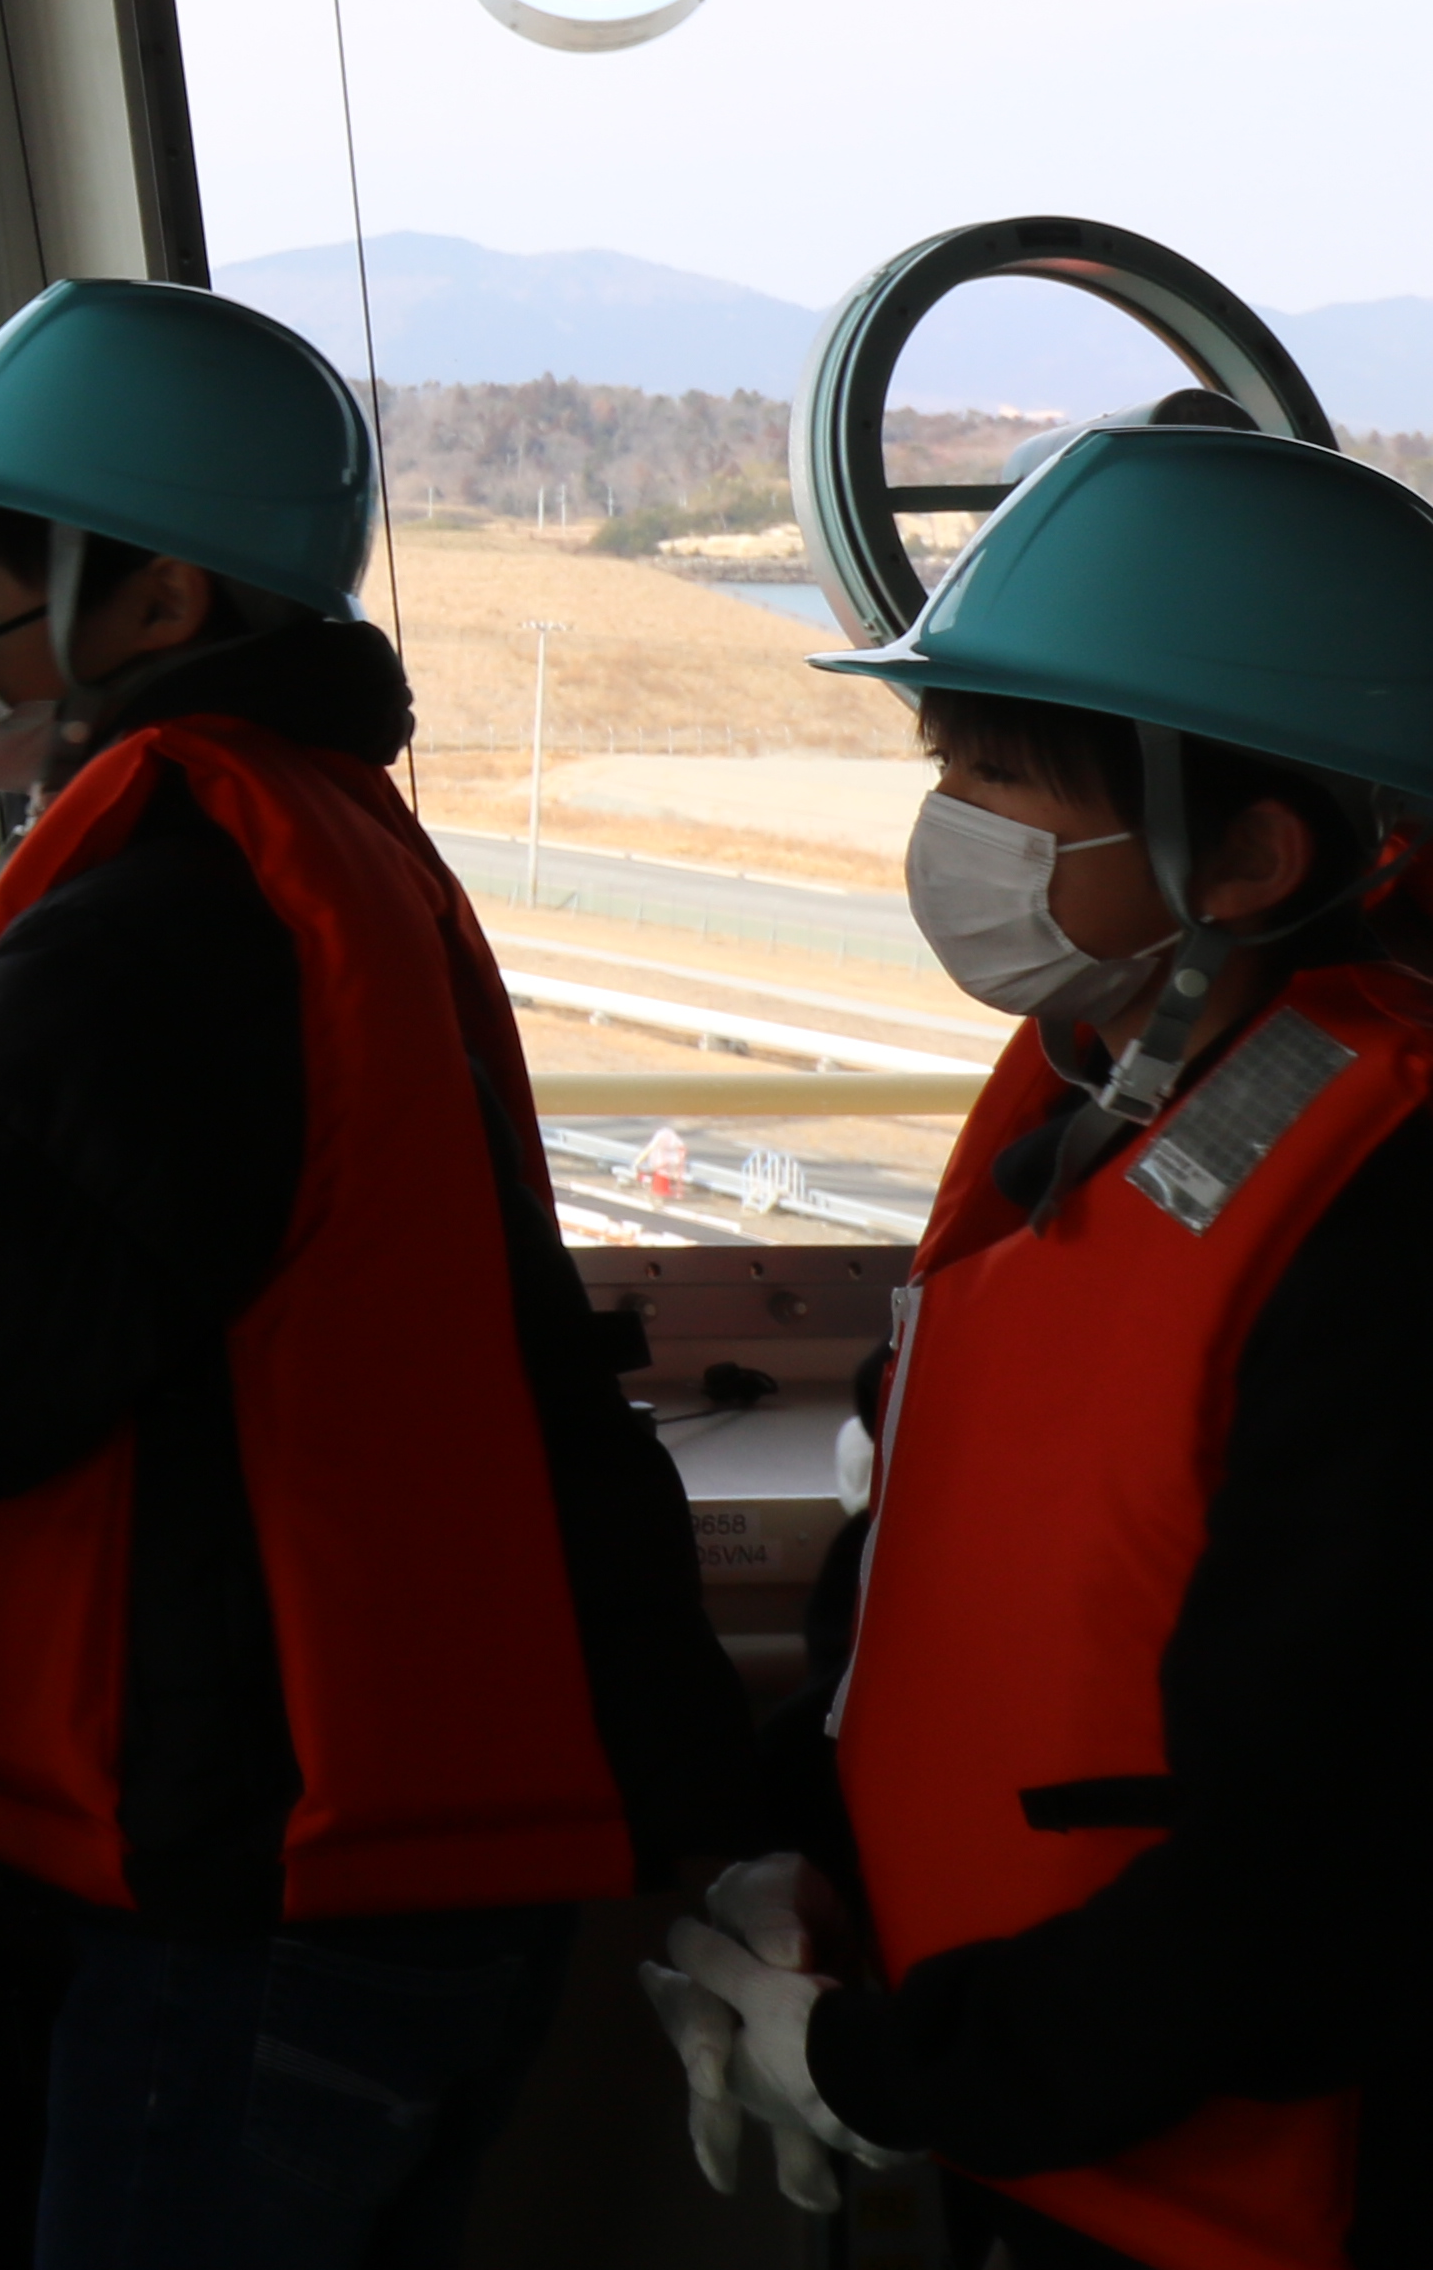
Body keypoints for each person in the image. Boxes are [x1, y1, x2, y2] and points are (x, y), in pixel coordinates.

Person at [0, 277, 752, 2268]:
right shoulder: (324, 842)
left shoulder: (171, 912)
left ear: (158, 600)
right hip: (388, 1845)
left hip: (271, 1879)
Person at [641, 423, 1433, 2262]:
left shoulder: (1384, 1220)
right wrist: (806, 1845)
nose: (953, 830)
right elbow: (955, 1557)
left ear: (1248, 853)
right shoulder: (1114, 1103)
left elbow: (1322, 1864)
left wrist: (897, 2072)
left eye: (1003, 778)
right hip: (1049, 2137)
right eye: (950, 766)